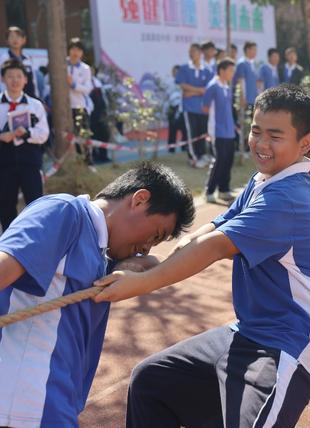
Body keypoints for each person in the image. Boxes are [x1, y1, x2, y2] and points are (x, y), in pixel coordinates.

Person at [93, 85, 310, 428]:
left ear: (304, 143)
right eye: (255, 131)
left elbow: (215, 247)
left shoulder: (288, 198)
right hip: (250, 330)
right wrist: (157, 263)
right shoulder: (262, 181)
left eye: (275, 136)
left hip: (291, 341)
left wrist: (141, 283)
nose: (261, 144)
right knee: (152, 381)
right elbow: (211, 229)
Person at [0, 162, 195, 427]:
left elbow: (151, 263)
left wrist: (131, 266)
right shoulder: (65, 212)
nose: (147, 248)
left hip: (50, 401)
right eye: (154, 235)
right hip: (25, 402)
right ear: (139, 200)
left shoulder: (102, 248)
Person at [0, 59, 49, 232]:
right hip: (4, 163)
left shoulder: (35, 105)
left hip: (30, 161)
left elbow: (44, 134)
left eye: (19, 76)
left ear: (25, 79)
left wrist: (28, 133)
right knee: (5, 205)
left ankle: (38, 241)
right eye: (10, 76)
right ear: (2, 79)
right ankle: (8, 247)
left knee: (35, 204)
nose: (15, 80)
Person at [203, 58, 236, 204]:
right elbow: (205, 108)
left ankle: (224, 189)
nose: (232, 74)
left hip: (229, 131)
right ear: (221, 70)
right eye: (230, 70)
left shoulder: (227, 86)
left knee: (228, 160)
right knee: (219, 161)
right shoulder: (212, 86)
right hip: (217, 130)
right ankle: (209, 191)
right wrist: (210, 129)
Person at [176, 43, 214, 168]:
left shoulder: (207, 70)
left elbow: (207, 89)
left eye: (194, 51)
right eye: (190, 52)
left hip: (203, 108)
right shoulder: (184, 68)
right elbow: (182, 85)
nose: (191, 54)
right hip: (189, 108)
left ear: (200, 53)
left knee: (202, 133)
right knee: (191, 134)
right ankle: (193, 157)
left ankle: (202, 155)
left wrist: (192, 92)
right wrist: (199, 91)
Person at [67, 37, 93, 160]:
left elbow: (88, 88)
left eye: (78, 49)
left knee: (84, 134)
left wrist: (73, 85)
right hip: (65, 107)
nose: (75, 52)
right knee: (71, 136)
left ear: (82, 52)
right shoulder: (62, 66)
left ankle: (89, 161)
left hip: (80, 106)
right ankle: (76, 161)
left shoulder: (85, 68)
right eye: (73, 49)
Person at [0, 27, 38, 98]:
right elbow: (2, 82)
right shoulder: (4, 58)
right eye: (12, 37)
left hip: (29, 98)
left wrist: (36, 97)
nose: (15, 39)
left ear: (24, 40)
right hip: (11, 99)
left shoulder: (28, 59)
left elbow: (33, 80)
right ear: (7, 41)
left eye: (18, 36)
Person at [167, 64, 187, 154]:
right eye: (174, 72)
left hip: (183, 109)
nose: (176, 73)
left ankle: (184, 147)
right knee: (172, 130)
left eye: (178, 72)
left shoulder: (185, 83)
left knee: (185, 130)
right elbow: (166, 96)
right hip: (172, 109)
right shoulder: (169, 83)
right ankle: (171, 149)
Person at [234, 41, 259, 111]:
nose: (255, 52)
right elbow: (241, 81)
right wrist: (242, 97)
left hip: (253, 99)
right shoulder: (242, 63)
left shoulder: (253, 63)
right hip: (245, 100)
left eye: (256, 50)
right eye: (254, 50)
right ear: (248, 50)